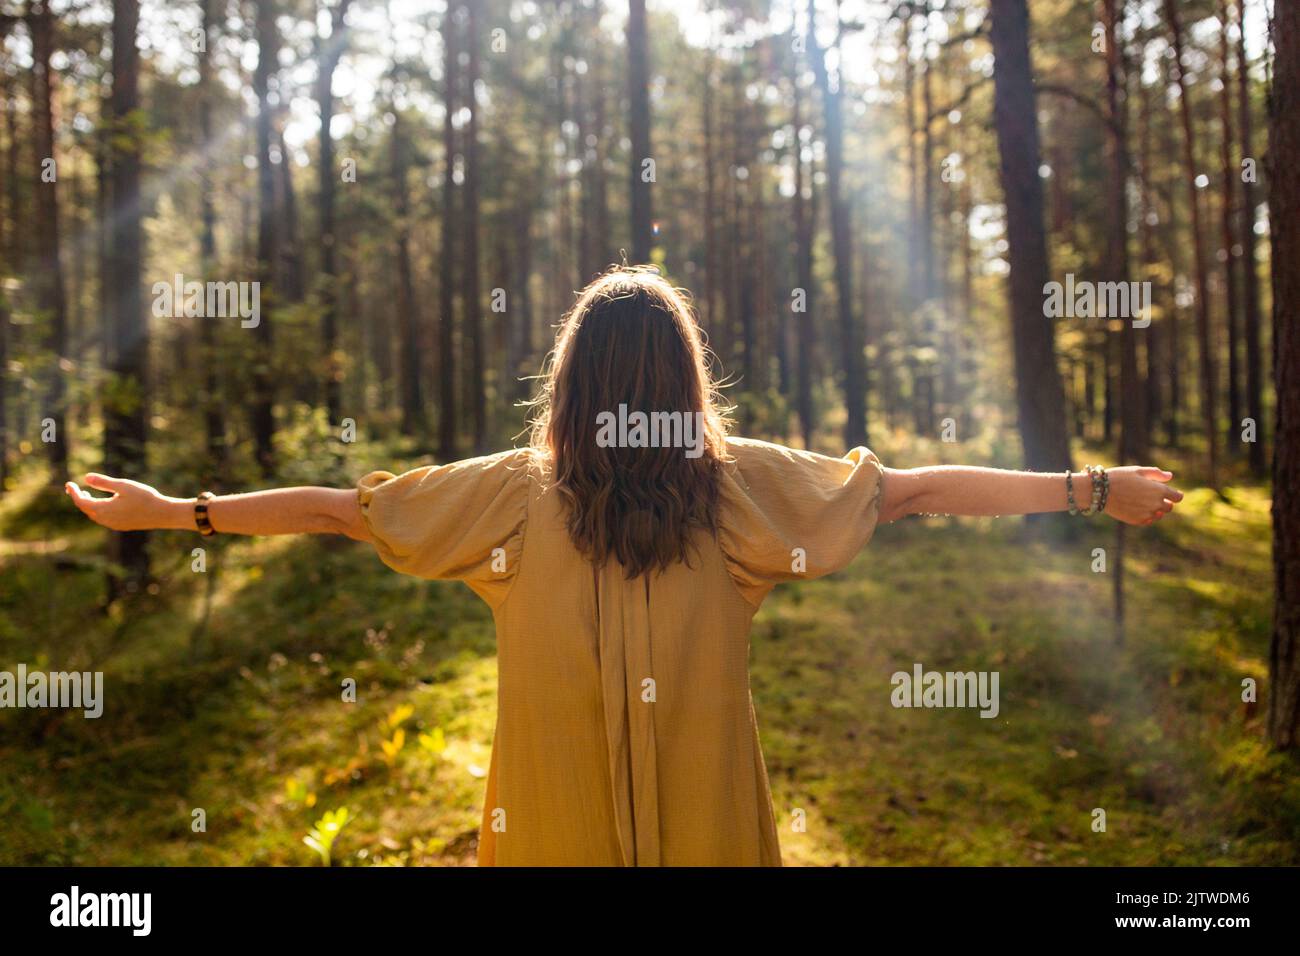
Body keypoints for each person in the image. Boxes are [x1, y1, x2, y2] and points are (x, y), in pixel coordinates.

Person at [66, 266, 1182, 866]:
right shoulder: (741, 489)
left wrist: (182, 511)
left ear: (571, 379)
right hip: (711, 828)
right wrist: (1088, 488)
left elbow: (339, 511)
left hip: (547, 829)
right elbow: (921, 487)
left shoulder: (509, 495)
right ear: (683, 379)